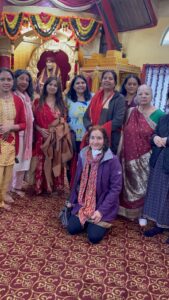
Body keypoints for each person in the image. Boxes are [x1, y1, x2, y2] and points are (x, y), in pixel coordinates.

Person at [67, 126, 122, 244]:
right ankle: (86, 218)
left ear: (104, 140)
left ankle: (93, 220)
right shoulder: (83, 155)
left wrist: (101, 211)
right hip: (83, 203)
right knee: (72, 229)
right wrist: (72, 201)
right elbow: (77, 181)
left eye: (99, 138)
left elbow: (115, 189)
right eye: (92, 138)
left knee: (94, 237)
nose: (95, 141)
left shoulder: (112, 160)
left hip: (102, 204)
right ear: (88, 140)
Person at [119, 84, 165, 221]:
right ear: (136, 96)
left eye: (147, 94)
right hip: (127, 155)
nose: (143, 96)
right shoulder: (130, 111)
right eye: (140, 94)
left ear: (151, 96)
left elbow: (161, 137)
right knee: (127, 182)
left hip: (147, 158)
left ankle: (142, 213)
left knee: (144, 185)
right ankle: (125, 210)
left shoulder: (160, 115)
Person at [33, 76, 72, 195]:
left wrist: (57, 131)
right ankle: (41, 186)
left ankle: (55, 186)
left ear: (58, 88)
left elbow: (64, 122)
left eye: (55, 85)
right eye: (50, 84)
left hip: (57, 138)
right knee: (42, 161)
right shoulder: (37, 102)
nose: (52, 87)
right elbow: (33, 121)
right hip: (42, 137)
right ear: (45, 86)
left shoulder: (62, 104)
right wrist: (39, 129)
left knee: (55, 160)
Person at [143, 91, 169, 242]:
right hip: (161, 161)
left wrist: (167, 140)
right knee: (161, 194)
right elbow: (153, 134)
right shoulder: (164, 118)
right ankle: (161, 224)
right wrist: (156, 138)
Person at [0, 68, 26, 210]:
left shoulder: (18, 100)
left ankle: (2, 195)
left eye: (9, 79)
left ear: (13, 81)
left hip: (10, 141)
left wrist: (11, 127)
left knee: (8, 171)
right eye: (2, 79)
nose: (6, 82)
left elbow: (24, 124)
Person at [83, 70, 126, 154]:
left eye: (110, 78)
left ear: (115, 83)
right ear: (101, 81)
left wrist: (99, 132)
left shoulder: (119, 98)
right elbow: (86, 116)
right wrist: (90, 128)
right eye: (105, 78)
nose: (107, 80)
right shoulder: (96, 96)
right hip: (93, 138)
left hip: (109, 139)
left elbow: (118, 120)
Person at [65, 75, 93, 184]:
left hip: (88, 137)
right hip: (72, 136)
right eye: (77, 83)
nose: (80, 85)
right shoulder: (67, 100)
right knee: (71, 163)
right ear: (73, 86)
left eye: (83, 82)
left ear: (86, 84)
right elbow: (63, 116)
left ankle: (84, 188)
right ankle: (72, 188)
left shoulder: (92, 98)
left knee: (86, 163)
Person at [10, 69, 34, 196]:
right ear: (15, 80)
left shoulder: (27, 97)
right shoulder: (12, 95)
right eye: (21, 79)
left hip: (27, 135)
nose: (24, 82)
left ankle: (17, 187)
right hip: (16, 133)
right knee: (13, 162)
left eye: (27, 80)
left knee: (23, 162)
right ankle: (7, 189)